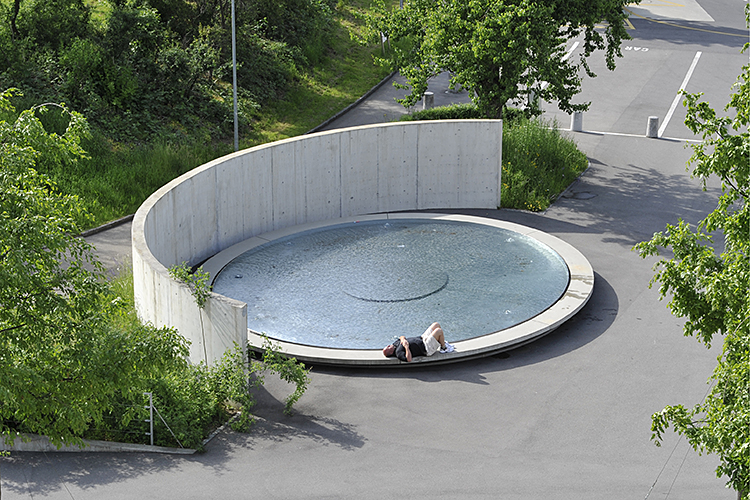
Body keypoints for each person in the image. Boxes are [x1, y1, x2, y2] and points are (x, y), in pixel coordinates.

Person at [382, 322, 447, 362]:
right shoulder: (398, 352)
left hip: (422, 338)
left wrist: (403, 340)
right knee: (438, 331)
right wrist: (406, 347)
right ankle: (444, 348)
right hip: (426, 347)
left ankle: (441, 342)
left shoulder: (394, 345)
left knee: (436, 324)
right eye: (388, 347)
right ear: (391, 352)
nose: (388, 345)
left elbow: (401, 337)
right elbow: (409, 359)